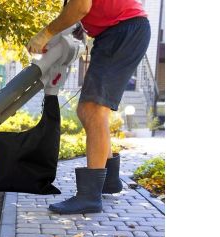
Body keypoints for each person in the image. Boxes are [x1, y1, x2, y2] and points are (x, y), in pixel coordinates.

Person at [26, 0, 151, 214]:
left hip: (122, 30)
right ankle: (109, 180)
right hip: (118, 32)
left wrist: (44, 34)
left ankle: (89, 197)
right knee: (92, 112)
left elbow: (81, 7)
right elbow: (79, 15)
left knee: (91, 110)